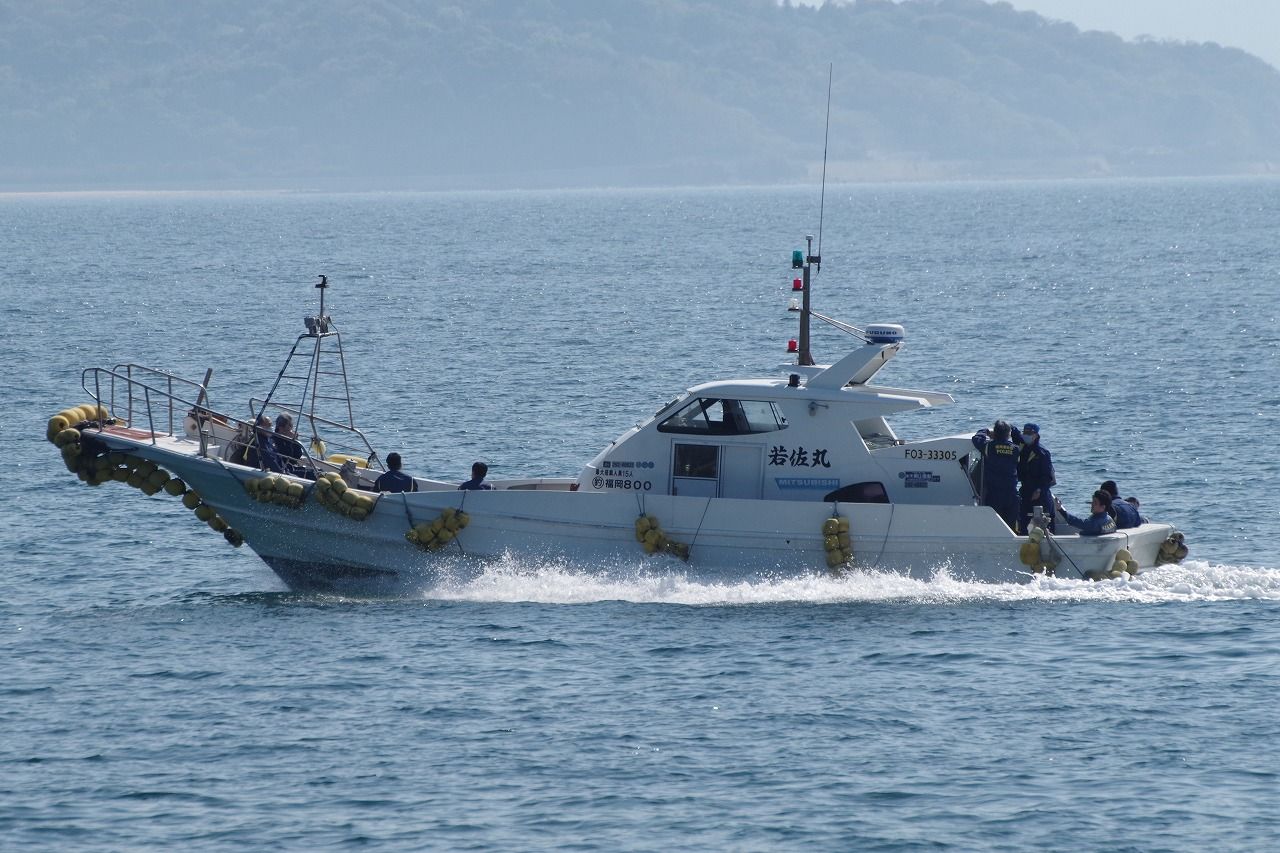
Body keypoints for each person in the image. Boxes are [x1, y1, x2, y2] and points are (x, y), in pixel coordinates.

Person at [971, 419, 1020, 530]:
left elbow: (976, 438)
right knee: (1011, 527)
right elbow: (1019, 439)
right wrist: (1013, 428)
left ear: (995, 433)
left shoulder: (989, 447)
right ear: (1008, 434)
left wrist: (986, 431)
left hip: (995, 494)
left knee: (994, 527)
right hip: (1011, 494)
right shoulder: (1015, 449)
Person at [1014, 423, 1055, 533]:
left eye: (1029, 433)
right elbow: (1014, 433)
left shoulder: (1042, 453)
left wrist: (1038, 490)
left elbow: (1048, 477)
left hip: (1040, 494)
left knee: (1043, 526)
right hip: (1026, 491)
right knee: (1024, 523)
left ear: (1036, 435)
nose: (1026, 435)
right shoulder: (1023, 447)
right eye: (1025, 433)